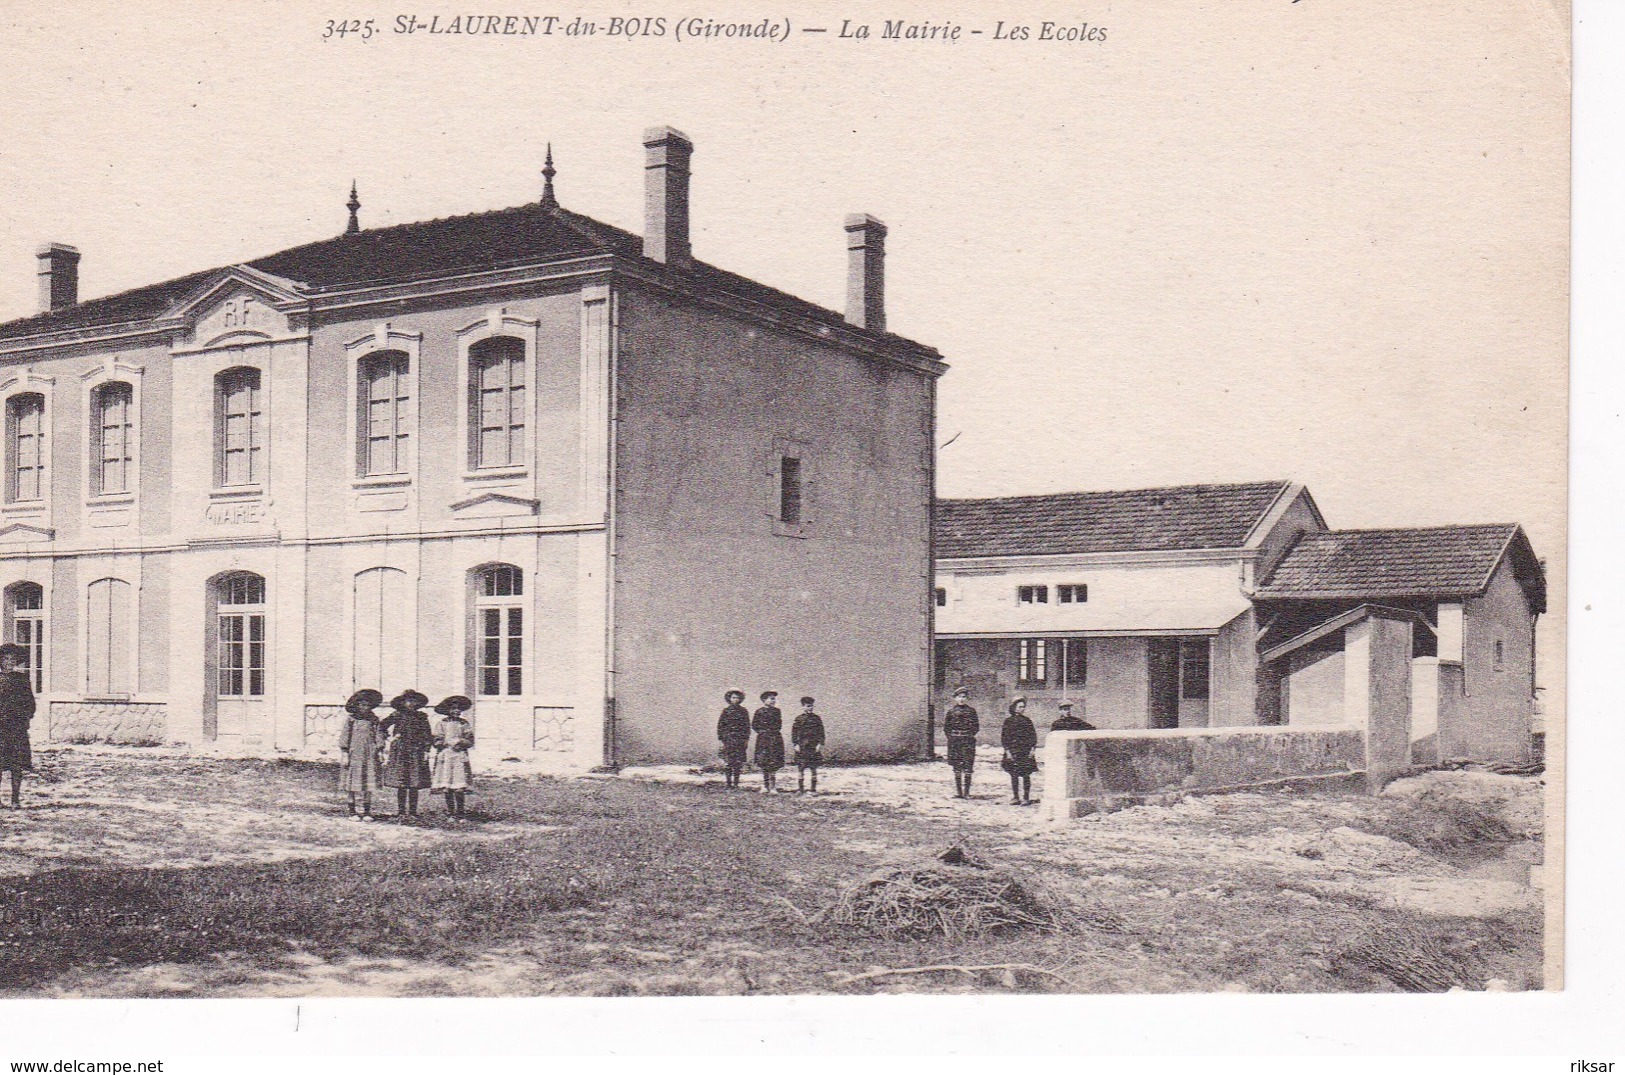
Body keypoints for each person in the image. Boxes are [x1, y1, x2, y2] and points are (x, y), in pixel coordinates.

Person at [380, 690, 433, 821]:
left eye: (414, 701)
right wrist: (390, 738)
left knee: (414, 782)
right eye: (408, 701)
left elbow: (427, 735)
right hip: (400, 751)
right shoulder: (397, 715)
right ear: (402, 702)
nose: (411, 703)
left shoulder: (421, 717)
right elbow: (381, 726)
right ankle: (401, 811)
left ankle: (413, 811)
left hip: (416, 751)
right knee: (401, 781)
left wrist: (426, 750)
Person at [338, 689, 385, 821]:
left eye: (367, 705)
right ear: (357, 705)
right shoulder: (351, 719)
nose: (364, 707)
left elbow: (378, 736)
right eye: (362, 704)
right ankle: (352, 812)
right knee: (352, 783)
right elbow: (345, 738)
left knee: (368, 783)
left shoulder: (374, 720)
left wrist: (380, 752)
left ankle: (367, 812)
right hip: (354, 755)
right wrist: (345, 754)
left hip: (370, 755)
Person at [0, 643, 35, 810]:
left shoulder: (22, 679)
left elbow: (30, 704)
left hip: (17, 729)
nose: (9, 661)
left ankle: (15, 799)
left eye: (12, 659)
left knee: (16, 765)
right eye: (5, 658)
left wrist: (25, 717)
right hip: (0, 729)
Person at [430, 695, 475, 819]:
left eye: (458, 708)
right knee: (447, 786)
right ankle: (450, 812)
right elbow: (436, 740)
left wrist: (461, 742)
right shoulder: (442, 724)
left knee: (459, 787)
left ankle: (460, 812)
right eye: (453, 708)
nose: (456, 711)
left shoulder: (464, 723)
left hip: (459, 756)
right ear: (447, 710)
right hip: (446, 756)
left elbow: (470, 739)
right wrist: (444, 743)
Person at [1001, 696, 1039, 806]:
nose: (1022, 709)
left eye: (1023, 707)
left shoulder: (1027, 721)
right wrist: (1007, 751)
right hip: (1013, 751)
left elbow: (1033, 736)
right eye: (1020, 707)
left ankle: (1026, 797)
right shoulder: (1008, 721)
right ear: (1014, 708)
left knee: (1026, 775)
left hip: (1025, 751)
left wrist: (1032, 749)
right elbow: (1004, 737)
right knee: (1014, 774)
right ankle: (1016, 797)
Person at [943, 686, 980, 799]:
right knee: (957, 766)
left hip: (967, 741)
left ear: (967, 698)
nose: (962, 699)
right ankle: (959, 792)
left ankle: (967, 793)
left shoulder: (971, 711)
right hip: (955, 741)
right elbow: (946, 728)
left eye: (964, 697)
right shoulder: (951, 712)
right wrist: (953, 737)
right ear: (955, 698)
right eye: (959, 697)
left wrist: (968, 735)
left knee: (968, 765)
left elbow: (976, 727)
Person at [752, 690, 785, 794]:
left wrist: (772, 732)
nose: (773, 701)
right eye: (771, 699)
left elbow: (779, 725)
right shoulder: (759, 712)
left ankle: (773, 786)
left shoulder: (777, 711)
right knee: (764, 761)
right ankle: (765, 786)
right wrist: (762, 732)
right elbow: (754, 725)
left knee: (773, 762)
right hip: (763, 740)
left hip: (774, 739)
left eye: (774, 699)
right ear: (764, 700)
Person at [791, 696, 826, 794]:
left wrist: (820, 744)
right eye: (808, 706)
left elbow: (821, 732)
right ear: (803, 707)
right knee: (801, 767)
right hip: (802, 746)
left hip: (813, 746)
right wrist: (795, 744)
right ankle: (800, 788)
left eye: (811, 706)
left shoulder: (816, 718)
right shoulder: (798, 719)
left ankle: (813, 789)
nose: (810, 708)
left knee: (813, 768)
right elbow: (794, 733)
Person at [717, 690, 751, 789]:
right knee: (728, 762)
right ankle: (728, 783)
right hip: (728, 739)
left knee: (738, 762)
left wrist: (746, 739)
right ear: (729, 699)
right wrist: (721, 740)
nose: (735, 700)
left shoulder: (744, 711)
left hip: (740, 739)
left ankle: (736, 783)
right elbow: (720, 726)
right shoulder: (726, 711)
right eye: (733, 697)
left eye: (737, 698)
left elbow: (747, 726)